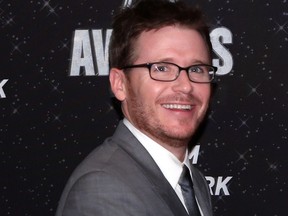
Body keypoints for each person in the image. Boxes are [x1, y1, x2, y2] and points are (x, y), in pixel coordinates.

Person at [56, 0, 217, 215]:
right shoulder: (103, 189)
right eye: (161, 68)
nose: (186, 85)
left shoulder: (192, 180)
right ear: (120, 84)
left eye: (197, 69)